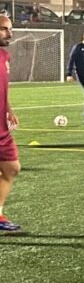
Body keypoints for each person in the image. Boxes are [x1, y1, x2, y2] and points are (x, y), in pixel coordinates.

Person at [0, 15, 23, 232]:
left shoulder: (4, 56)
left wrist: (9, 110)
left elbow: (3, 88)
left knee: (12, 168)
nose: (10, 33)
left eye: (10, 29)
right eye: (4, 29)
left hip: (1, 127)